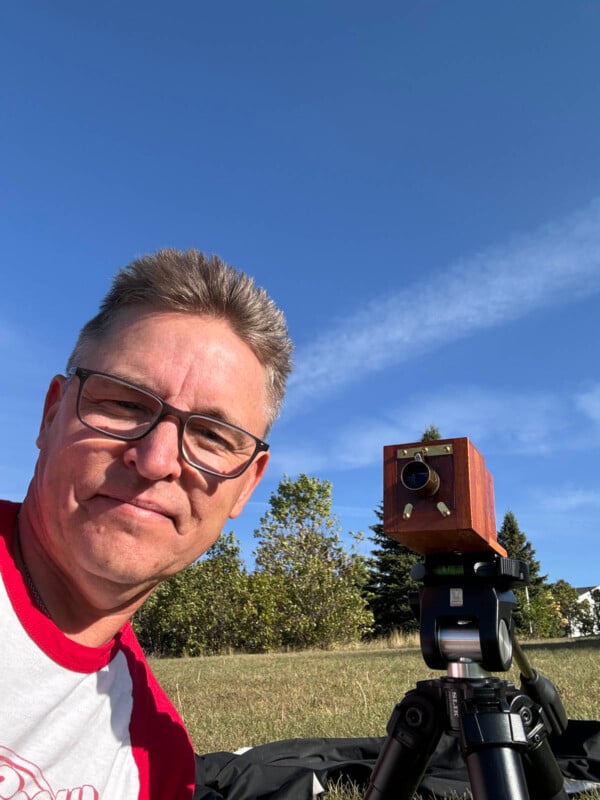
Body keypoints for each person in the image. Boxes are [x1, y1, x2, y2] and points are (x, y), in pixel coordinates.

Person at [0, 249, 293, 800]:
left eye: (211, 436)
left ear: (246, 485)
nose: (158, 460)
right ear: (51, 414)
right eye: (125, 404)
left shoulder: (158, 762)